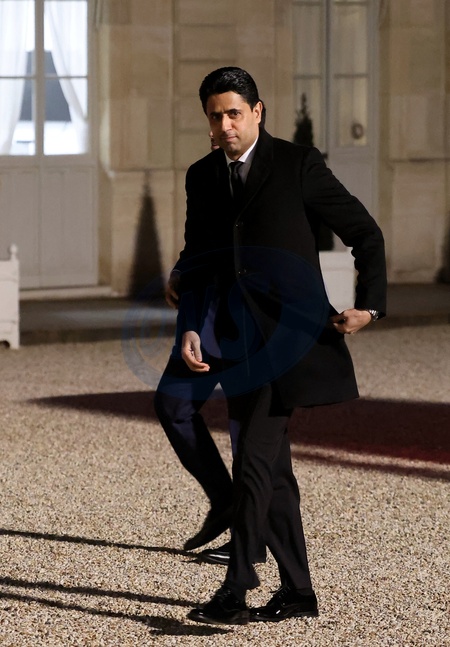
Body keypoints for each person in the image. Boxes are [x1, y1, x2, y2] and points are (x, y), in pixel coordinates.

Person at [159, 66, 387, 626]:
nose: (226, 125)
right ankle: (299, 592)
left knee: (255, 461)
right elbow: (201, 257)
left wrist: (370, 305)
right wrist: (190, 325)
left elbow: (365, 232)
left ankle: (236, 588)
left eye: (235, 113)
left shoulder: (298, 164)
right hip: (235, 342)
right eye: (216, 116)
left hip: (290, 341)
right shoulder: (201, 175)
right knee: (272, 469)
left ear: (257, 112)